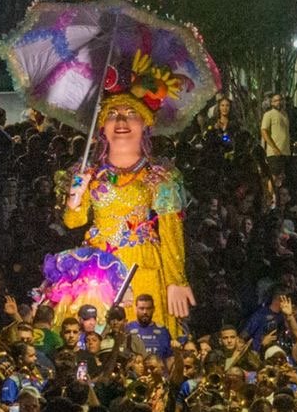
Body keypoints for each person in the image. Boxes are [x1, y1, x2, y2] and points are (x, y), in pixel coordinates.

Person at [58, 70, 195, 336]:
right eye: (112, 114)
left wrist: (176, 280)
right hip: (97, 271)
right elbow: (73, 221)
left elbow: (171, 232)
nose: (120, 120)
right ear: (101, 126)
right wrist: (75, 195)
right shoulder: (88, 173)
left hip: (142, 266)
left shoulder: (159, 176)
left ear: (145, 123)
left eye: (130, 113)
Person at [260, 91, 290, 162]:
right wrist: (274, 148)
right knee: (276, 173)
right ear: (271, 103)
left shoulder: (285, 115)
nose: (278, 102)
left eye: (280, 100)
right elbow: (264, 131)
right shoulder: (268, 114)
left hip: (286, 152)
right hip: (274, 153)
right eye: (275, 101)